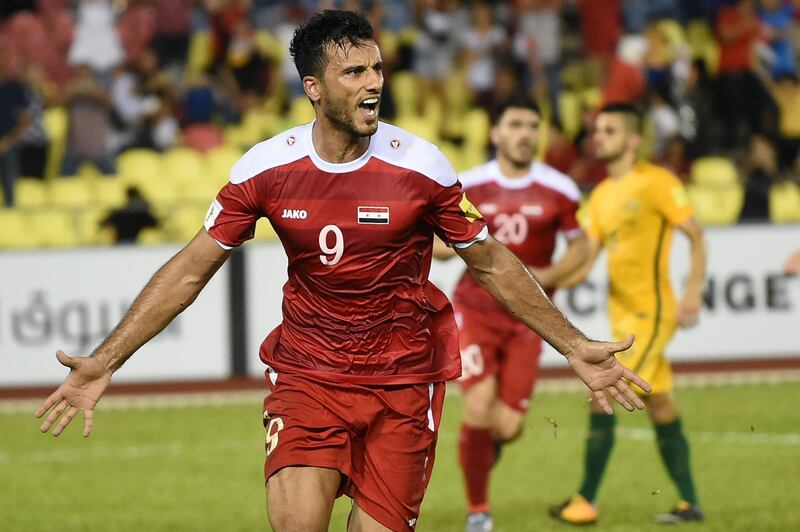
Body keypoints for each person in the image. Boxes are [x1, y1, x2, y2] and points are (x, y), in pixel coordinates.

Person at [35, 11, 651, 532]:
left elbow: (488, 262)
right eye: (354, 72)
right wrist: (107, 359)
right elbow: (192, 269)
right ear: (314, 87)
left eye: (377, 68)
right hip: (310, 373)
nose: (373, 83)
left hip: (404, 380)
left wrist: (573, 343)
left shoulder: (422, 166)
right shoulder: (266, 168)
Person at [433, 97, 589, 532]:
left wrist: (553, 272)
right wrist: (441, 250)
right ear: (496, 134)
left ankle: (483, 451)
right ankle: (479, 512)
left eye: (532, 125)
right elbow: (441, 240)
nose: (525, 133)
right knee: (479, 407)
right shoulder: (470, 185)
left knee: (509, 426)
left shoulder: (560, 188)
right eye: (516, 124)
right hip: (476, 310)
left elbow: (581, 244)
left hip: (528, 321)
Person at [549, 102, 707, 526]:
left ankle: (585, 500)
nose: (599, 136)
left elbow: (695, 235)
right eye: (597, 129)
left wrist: (693, 290)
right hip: (623, 320)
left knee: (602, 394)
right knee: (662, 406)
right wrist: (545, 282)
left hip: (653, 315)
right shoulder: (601, 195)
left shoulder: (657, 182)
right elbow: (586, 260)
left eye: (610, 130)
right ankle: (691, 504)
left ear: (634, 140)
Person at [0, 48, 32, 206]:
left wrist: (8, 141)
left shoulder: (16, 87)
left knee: (9, 180)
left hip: (9, 142)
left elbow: (25, 120)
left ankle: (10, 209)